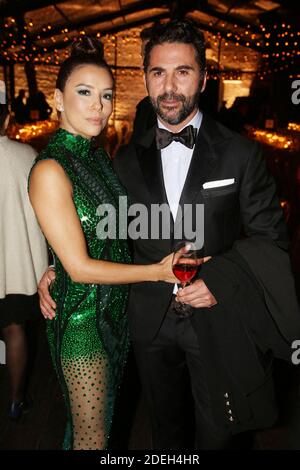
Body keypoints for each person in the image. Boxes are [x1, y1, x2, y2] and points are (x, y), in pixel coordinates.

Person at [38, 20, 300, 450]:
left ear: (202, 76)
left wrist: (220, 279)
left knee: (220, 433)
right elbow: (103, 230)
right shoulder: (123, 159)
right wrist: (57, 268)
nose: (170, 86)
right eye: (158, 73)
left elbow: (271, 239)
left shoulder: (240, 153)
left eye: (183, 71)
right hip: (147, 324)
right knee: (165, 433)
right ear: (145, 79)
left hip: (216, 319)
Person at [28, 36, 177, 451]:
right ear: (58, 99)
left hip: (115, 315)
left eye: (106, 95)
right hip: (81, 323)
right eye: (84, 93)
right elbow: (79, 267)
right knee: (93, 439)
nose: (98, 105)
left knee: (98, 430)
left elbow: (103, 233)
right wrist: (157, 271)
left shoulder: (96, 157)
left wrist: (53, 264)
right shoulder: (50, 169)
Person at [0, 102, 48, 420]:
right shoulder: (27, 155)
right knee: (14, 329)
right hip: (15, 266)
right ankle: (17, 400)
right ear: (6, 119)